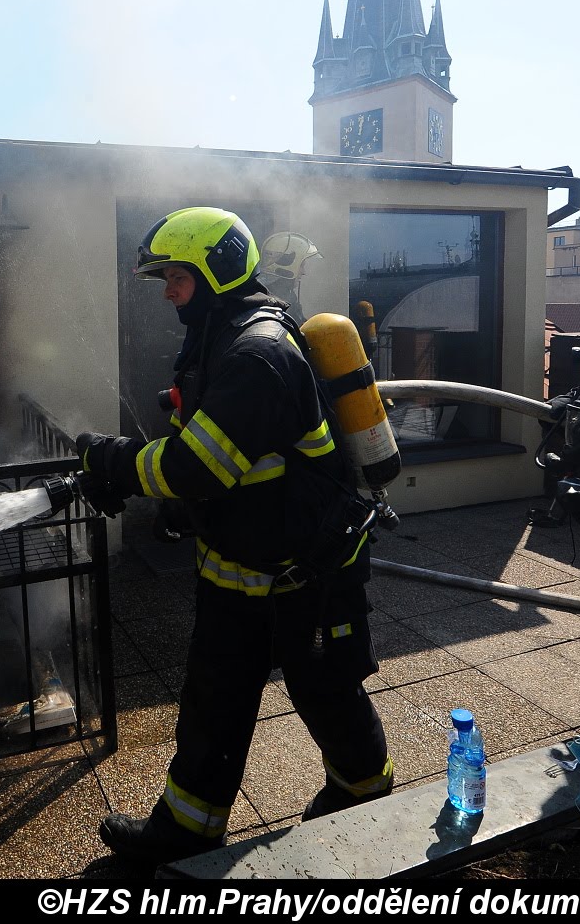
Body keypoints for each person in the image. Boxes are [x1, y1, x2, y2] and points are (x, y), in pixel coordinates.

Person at [74, 206, 392, 868]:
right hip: (241, 566)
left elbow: (199, 465)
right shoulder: (216, 336)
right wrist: (170, 503)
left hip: (307, 571)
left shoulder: (258, 353)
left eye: (177, 277)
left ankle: (367, 798)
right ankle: (185, 831)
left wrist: (114, 462)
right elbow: (207, 445)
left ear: (216, 272)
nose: (168, 292)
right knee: (214, 701)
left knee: (326, 693)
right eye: (164, 279)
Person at [259, 230, 321, 323]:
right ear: (287, 263)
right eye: (301, 266)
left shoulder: (286, 294)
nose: (303, 272)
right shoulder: (273, 299)